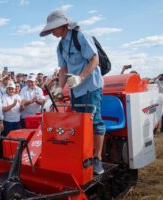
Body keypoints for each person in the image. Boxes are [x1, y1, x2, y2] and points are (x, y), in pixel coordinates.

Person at [40, 9, 106, 174]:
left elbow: (95, 59)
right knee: (78, 123)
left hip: (91, 86)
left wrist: (81, 78)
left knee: (94, 122)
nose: (52, 32)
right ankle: (82, 156)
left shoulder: (81, 36)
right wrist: (58, 91)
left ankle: (97, 159)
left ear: (62, 25)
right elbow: (63, 70)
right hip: (75, 90)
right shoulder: (60, 45)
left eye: (53, 28)